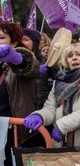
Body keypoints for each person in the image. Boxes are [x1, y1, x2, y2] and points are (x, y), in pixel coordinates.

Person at [24, 43, 80, 147]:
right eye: (70, 56)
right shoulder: (58, 82)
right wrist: (40, 115)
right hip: (61, 146)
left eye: (79, 54)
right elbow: (51, 108)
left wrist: (61, 125)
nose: (74, 58)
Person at [0, 21, 40, 165]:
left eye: (1, 38)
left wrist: (16, 59)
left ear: (14, 43)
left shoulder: (20, 62)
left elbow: (33, 67)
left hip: (14, 134)